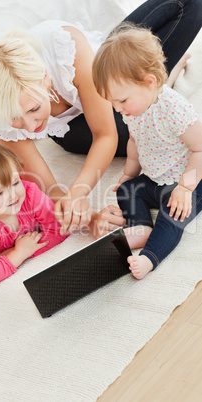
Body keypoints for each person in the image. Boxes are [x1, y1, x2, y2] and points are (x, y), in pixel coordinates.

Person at [0, 0, 202, 236]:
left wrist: (78, 192)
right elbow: (51, 192)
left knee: (191, 5)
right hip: (74, 131)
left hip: (104, 79)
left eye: (33, 110)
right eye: (15, 119)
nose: (31, 127)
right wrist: (86, 214)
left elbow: (104, 133)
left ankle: (161, 80)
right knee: (140, 127)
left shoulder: (66, 48)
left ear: (46, 79)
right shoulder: (0, 118)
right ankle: (163, 81)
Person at [92, 21, 202, 280]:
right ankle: (140, 227)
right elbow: (134, 142)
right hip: (154, 178)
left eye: (121, 100)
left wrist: (184, 190)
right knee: (128, 190)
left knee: (172, 216)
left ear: (150, 82)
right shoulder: (134, 108)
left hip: (187, 181)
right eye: (112, 102)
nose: (117, 109)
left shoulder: (175, 110)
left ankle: (150, 257)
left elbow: (200, 150)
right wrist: (129, 174)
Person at [0, 116, 68, 289]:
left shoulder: (30, 193)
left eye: (15, 182)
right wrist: (19, 253)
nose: (13, 195)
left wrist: (26, 251)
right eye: (0, 192)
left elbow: (60, 229)